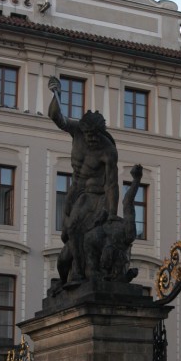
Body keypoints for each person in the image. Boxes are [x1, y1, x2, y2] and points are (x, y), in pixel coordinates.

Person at [48, 77, 119, 285]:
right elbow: (56, 116)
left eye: (95, 136)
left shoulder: (108, 151)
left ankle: (79, 272)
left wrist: (112, 215)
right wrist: (57, 94)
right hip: (75, 192)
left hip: (94, 195)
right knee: (66, 237)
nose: (91, 140)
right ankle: (71, 273)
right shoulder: (76, 130)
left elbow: (112, 185)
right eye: (88, 135)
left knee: (75, 229)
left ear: (101, 133)